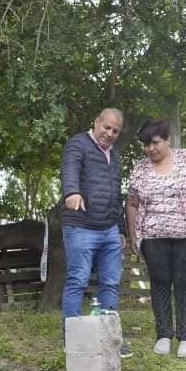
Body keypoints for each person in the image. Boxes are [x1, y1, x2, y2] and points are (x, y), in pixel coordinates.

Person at [126, 118, 186, 358]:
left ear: (168, 140)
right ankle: (163, 334)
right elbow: (132, 203)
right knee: (160, 281)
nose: (149, 149)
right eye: (145, 145)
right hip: (153, 236)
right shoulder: (140, 168)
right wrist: (134, 233)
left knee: (185, 281)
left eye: (154, 143)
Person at [60, 108, 132, 358]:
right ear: (96, 122)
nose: (110, 134)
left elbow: (117, 195)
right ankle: (72, 338)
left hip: (109, 229)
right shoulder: (77, 144)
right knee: (77, 280)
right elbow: (69, 169)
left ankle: (109, 339)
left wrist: (121, 229)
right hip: (80, 226)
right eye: (107, 127)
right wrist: (72, 192)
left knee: (111, 283)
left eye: (115, 131)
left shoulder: (116, 157)